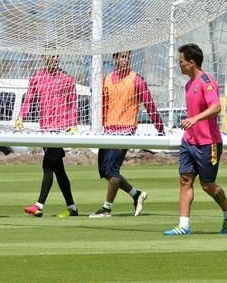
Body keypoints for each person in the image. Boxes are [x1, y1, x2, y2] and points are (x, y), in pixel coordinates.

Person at [163, 43, 227, 236]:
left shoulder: (207, 81)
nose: (179, 65)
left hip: (208, 142)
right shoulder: (188, 84)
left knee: (207, 185)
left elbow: (216, 107)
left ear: (191, 62)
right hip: (189, 141)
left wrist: (194, 119)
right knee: (185, 180)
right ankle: (184, 225)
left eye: (181, 62)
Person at [89, 50, 164, 218]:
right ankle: (137, 195)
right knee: (105, 171)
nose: (126, 59)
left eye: (127, 56)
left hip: (125, 130)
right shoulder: (107, 79)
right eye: (122, 56)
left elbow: (149, 104)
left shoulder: (136, 79)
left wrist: (160, 128)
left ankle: (106, 209)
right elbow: (104, 105)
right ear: (115, 58)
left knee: (113, 171)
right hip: (108, 130)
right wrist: (100, 128)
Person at [18, 55, 79, 218]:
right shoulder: (37, 78)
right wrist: (20, 117)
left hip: (60, 132)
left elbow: (72, 104)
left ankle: (38, 206)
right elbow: (28, 99)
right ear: (43, 57)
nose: (53, 59)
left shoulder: (67, 79)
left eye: (56, 56)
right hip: (45, 131)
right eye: (50, 56)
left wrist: (73, 125)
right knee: (59, 170)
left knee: (47, 165)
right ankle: (72, 208)